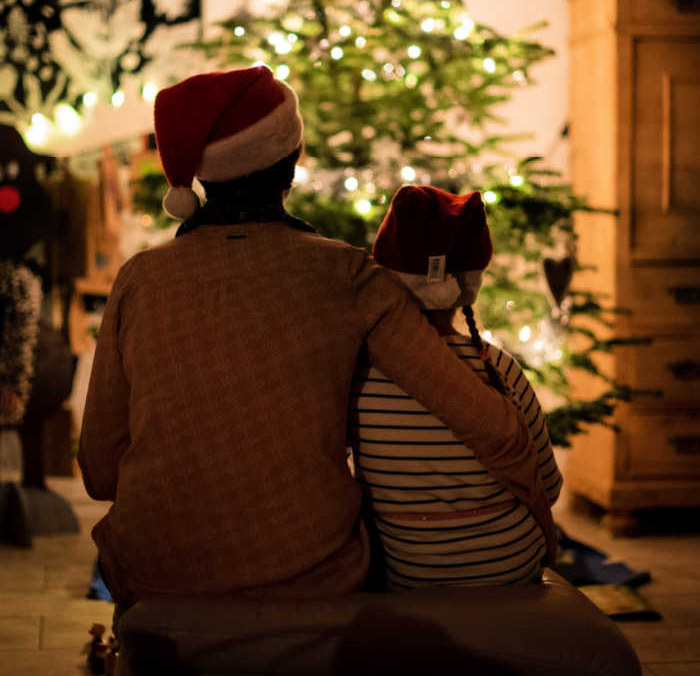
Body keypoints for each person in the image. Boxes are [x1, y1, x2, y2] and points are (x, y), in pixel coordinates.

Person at [78, 65, 555, 608]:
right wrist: (544, 523)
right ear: (293, 157)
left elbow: (99, 469)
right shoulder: (346, 274)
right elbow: (486, 421)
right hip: (312, 580)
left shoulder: (139, 279)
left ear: (202, 177)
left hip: (152, 579)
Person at [351, 184, 563, 590]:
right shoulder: (500, 368)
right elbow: (548, 487)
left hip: (410, 572)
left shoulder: (360, 375)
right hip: (511, 565)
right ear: (469, 283)